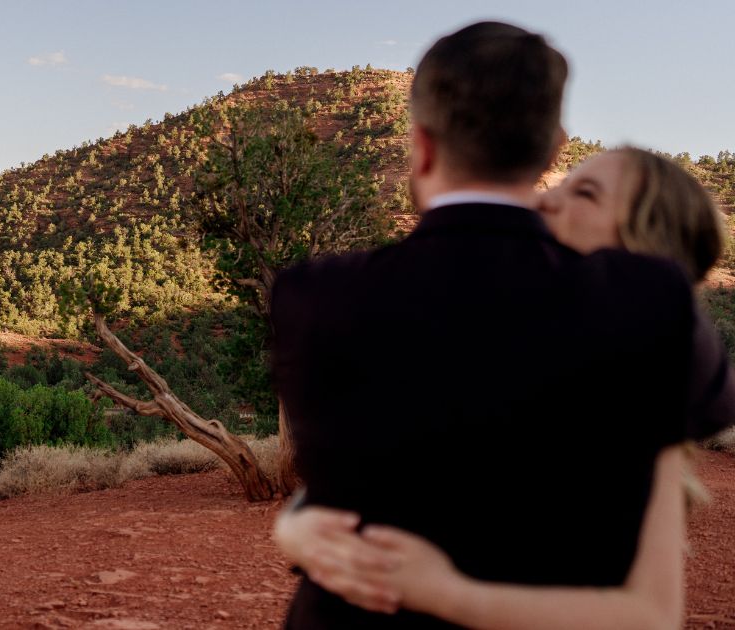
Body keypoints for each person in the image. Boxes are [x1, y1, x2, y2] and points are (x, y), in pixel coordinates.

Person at [269, 21, 735, 629]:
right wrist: (296, 526)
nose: (552, 201)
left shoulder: (313, 293)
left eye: (584, 194)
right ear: (551, 149)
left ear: (422, 145)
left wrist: (439, 587)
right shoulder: (647, 313)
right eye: (562, 183)